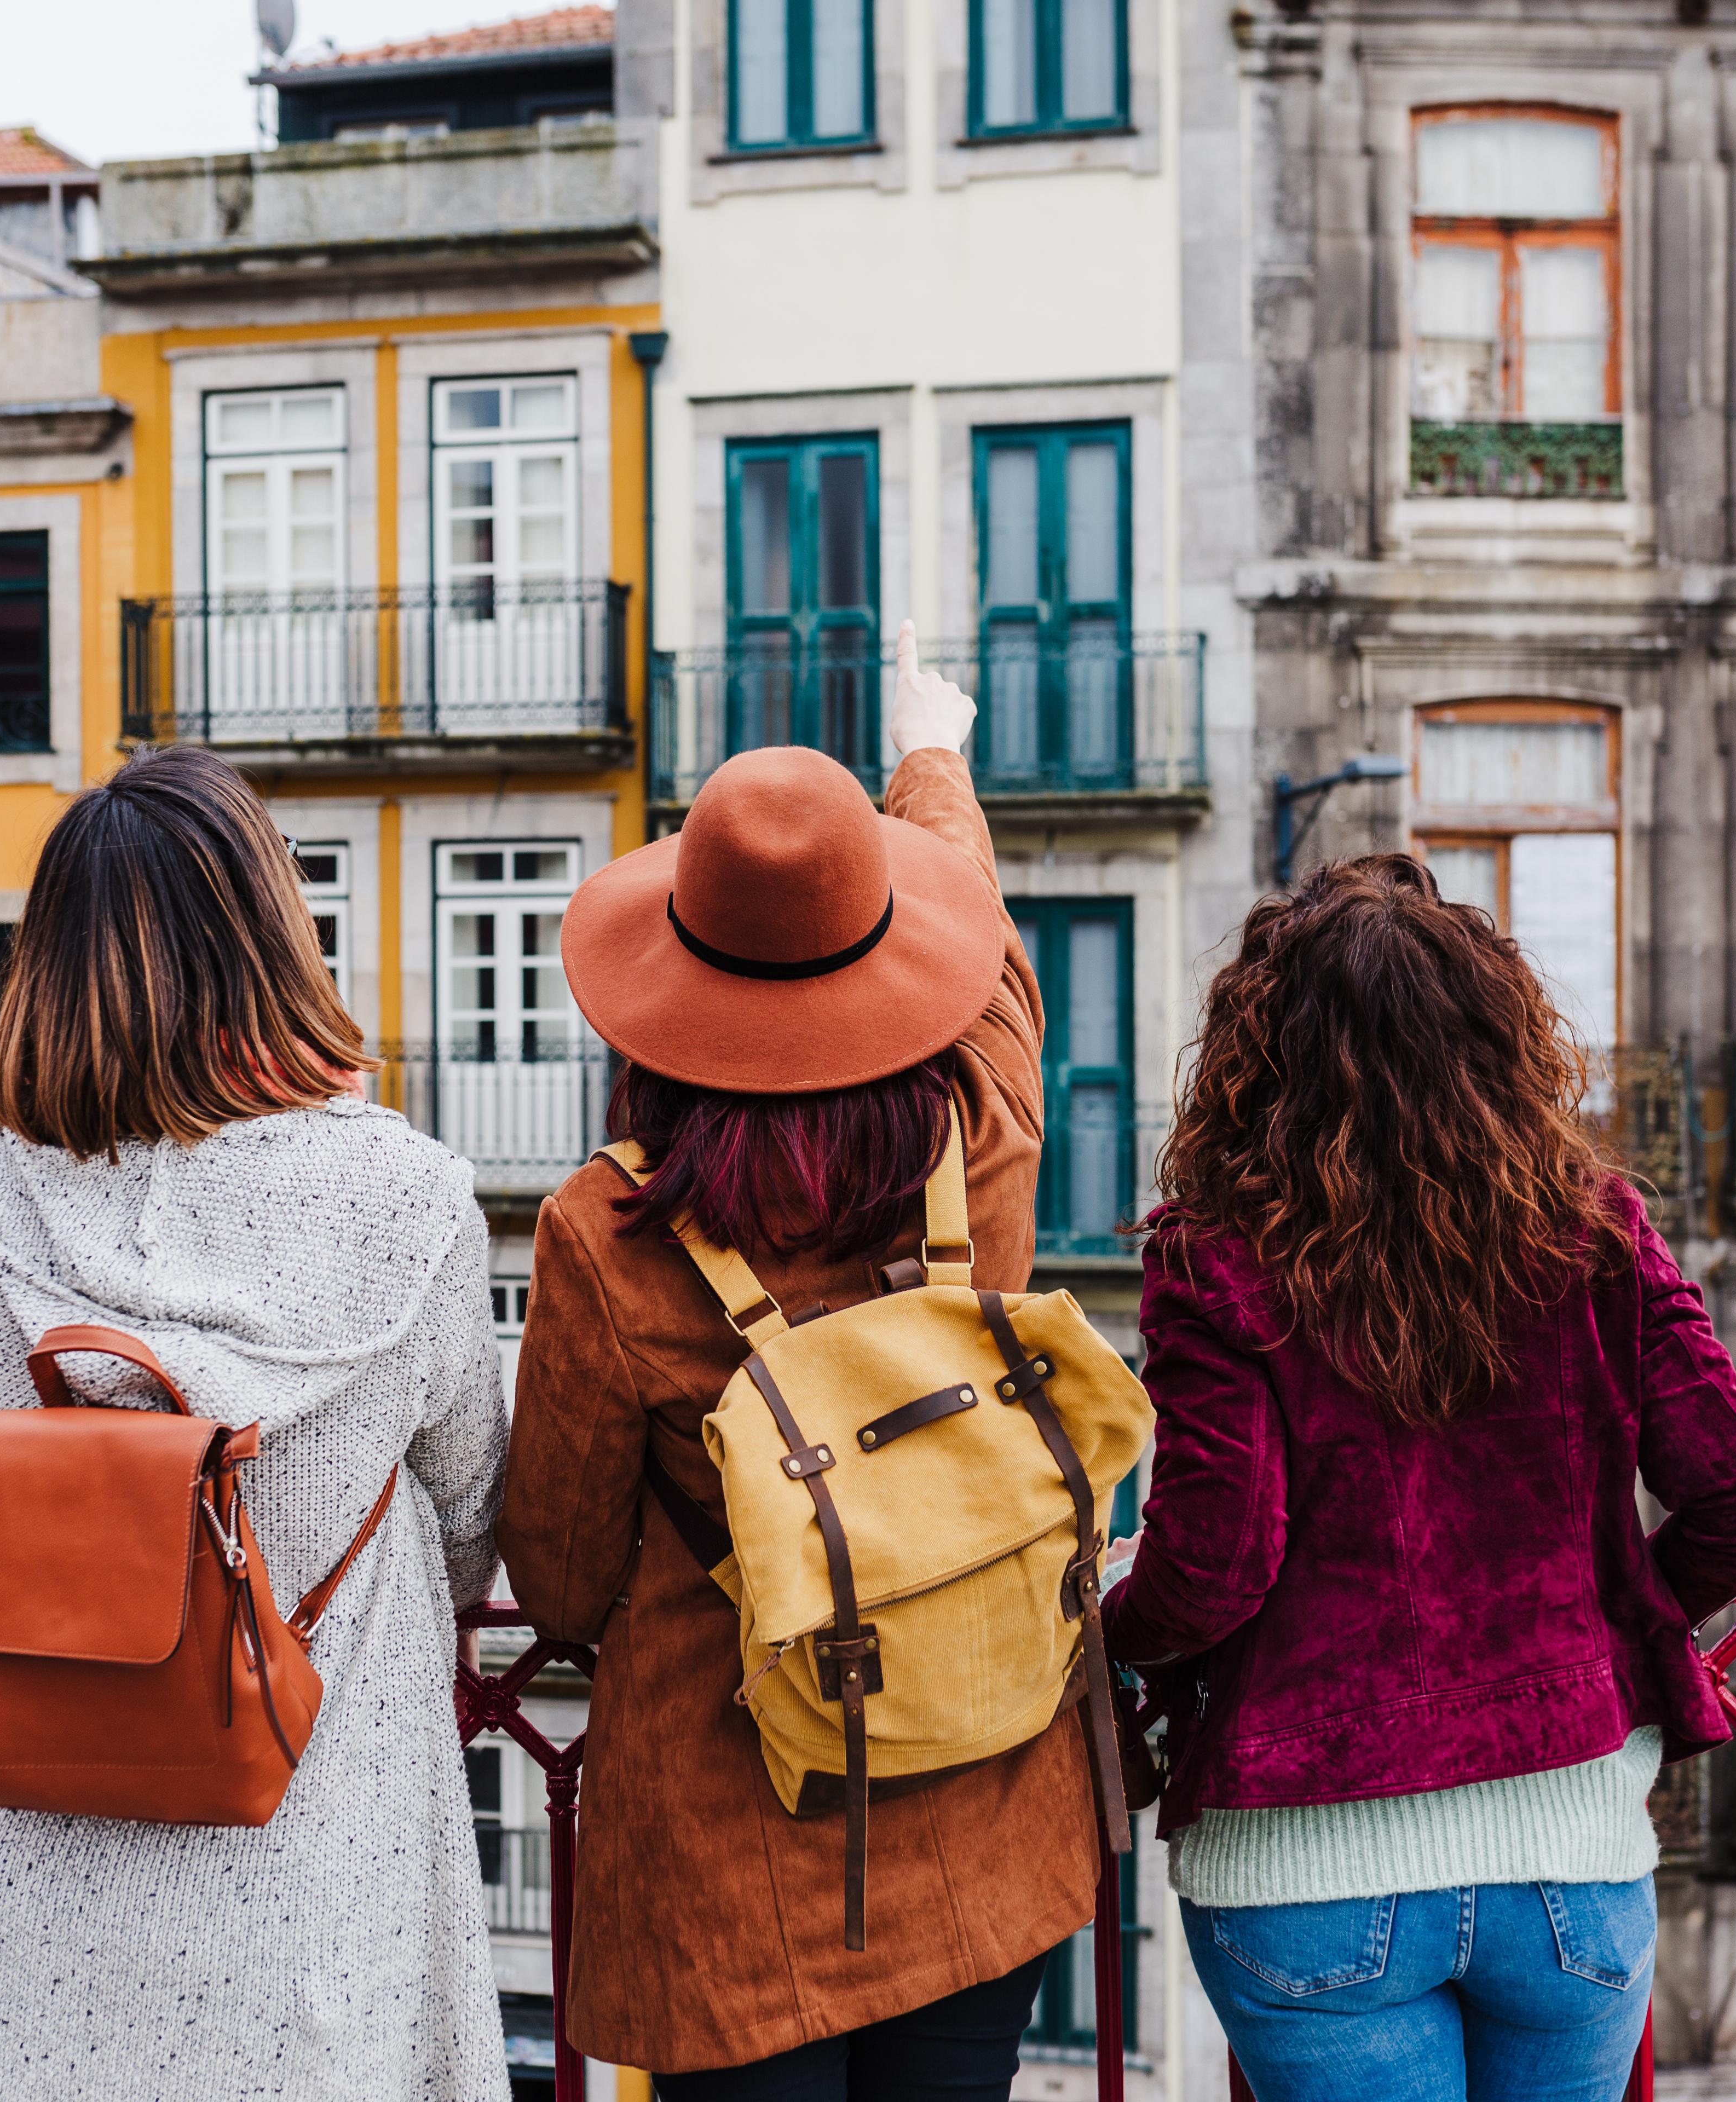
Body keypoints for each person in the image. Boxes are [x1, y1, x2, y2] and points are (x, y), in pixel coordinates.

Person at [0, 744, 511, 2101]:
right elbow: (476, 1503)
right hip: (299, 1887)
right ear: (273, 937)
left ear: (50, 966)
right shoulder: (407, 1199)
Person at [1104, 853, 1736, 2101]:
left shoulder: (1215, 1261)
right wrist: (1611, 1614)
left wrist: (1120, 1630)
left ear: (1257, 1062)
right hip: (1571, 1860)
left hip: (1308, 1872)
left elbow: (1218, 1558)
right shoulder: (1594, 1232)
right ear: (1500, 1042)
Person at [499, 626, 1093, 2098]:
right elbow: (984, 928)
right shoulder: (989, 1128)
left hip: (732, 1856)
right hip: (975, 1806)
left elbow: (564, 1582)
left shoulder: (606, 1232)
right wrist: (931, 753)